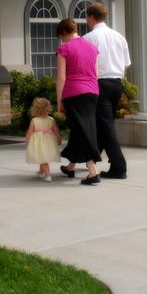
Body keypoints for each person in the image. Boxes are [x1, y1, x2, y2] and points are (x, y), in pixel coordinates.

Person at [84, 3, 130, 179]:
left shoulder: (89, 38)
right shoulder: (119, 37)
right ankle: (93, 159)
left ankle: (119, 167)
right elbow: (125, 64)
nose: (86, 20)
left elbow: (87, 65)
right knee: (105, 125)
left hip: (100, 84)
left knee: (106, 126)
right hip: (117, 83)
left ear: (91, 17)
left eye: (87, 17)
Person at [56, 18, 101, 185]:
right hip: (92, 92)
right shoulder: (92, 47)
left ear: (63, 33)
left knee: (82, 130)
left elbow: (61, 77)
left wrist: (59, 99)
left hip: (74, 93)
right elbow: (96, 73)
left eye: (60, 36)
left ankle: (92, 171)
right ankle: (70, 167)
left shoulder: (64, 48)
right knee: (80, 128)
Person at [25, 97, 62, 182]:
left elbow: (29, 132)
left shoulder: (34, 120)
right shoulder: (51, 120)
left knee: (43, 158)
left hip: (38, 142)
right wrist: (59, 139)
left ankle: (47, 175)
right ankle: (41, 172)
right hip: (49, 142)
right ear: (48, 108)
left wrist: (27, 141)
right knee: (42, 157)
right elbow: (57, 131)